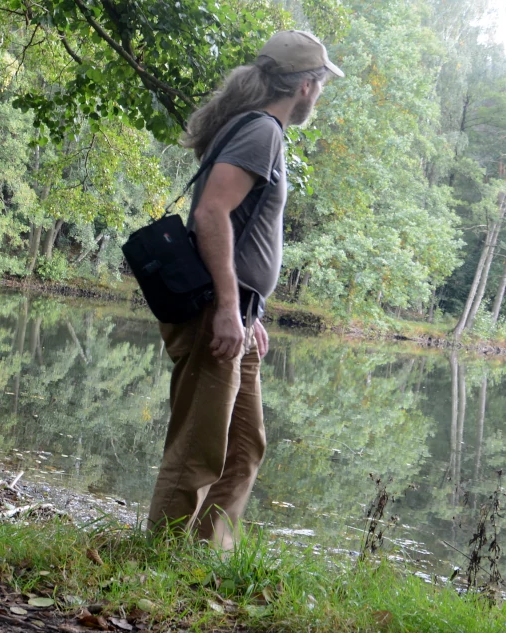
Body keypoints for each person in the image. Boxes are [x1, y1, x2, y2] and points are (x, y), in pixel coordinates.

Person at [147, 30, 343, 548]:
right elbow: (212, 212)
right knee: (198, 448)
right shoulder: (261, 132)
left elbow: (242, 229)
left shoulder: (259, 130)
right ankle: (153, 565)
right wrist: (230, 309)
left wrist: (249, 314)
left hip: (238, 314)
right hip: (218, 311)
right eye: (321, 85)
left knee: (244, 448)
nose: (319, 95)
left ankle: (205, 557)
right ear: (305, 86)